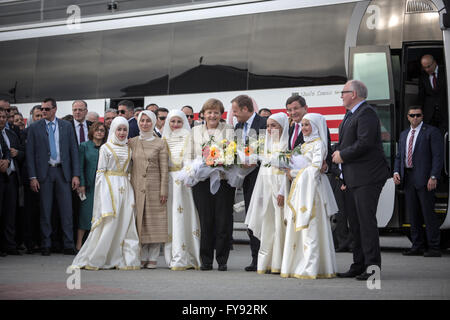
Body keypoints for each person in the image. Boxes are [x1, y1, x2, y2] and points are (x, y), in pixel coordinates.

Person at [332, 80, 390, 280]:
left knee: (366, 223)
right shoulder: (351, 115)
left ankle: (373, 268)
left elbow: (365, 143)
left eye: (343, 92)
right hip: (353, 177)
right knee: (354, 224)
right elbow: (343, 144)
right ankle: (358, 264)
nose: (341, 95)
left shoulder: (366, 113)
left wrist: (343, 155)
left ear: (353, 94)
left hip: (368, 177)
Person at [70, 117, 140, 270]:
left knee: (125, 221)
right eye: (119, 129)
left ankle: (122, 256)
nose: (122, 133)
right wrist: (104, 196)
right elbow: (100, 174)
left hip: (125, 188)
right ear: (114, 130)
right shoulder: (106, 148)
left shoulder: (129, 149)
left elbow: (129, 171)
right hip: (109, 187)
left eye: (125, 129)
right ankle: (100, 256)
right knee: (110, 222)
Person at [281, 113, 338, 279]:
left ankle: (311, 266)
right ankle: (300, 262)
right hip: (302, 189)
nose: (304, 128)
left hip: (312, 192)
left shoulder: (318, 144)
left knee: (311, 227)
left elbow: (315, 168)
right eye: (303, 125)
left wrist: (292, 172)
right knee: (301, 227)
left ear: (316, 126)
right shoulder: (304, 145)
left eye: (307, 125)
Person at [26, 98, 80, 256]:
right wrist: (32, 177)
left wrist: (76, 174)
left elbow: (74, 151)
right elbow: (30, 154)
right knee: (45, 209)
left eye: (47, 109)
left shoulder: (66, 126)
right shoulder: (35, 127)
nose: (44, 112)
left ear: (55, 109)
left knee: (66, 210)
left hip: (63, 173)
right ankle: (46, 244)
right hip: (45, 173)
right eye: (42, 109)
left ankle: (68, 244)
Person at [188, 98, 236, 271]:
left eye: (216, 112)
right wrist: (198, 166)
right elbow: (189, 154)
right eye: (209, 112)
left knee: (223, 220)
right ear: (203, 114)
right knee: (205, 220)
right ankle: (206, 259)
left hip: (223, 181)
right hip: (202, 182)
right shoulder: (194, 130)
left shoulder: (228, 129)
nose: (212, 115)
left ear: (221, 114)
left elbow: (231, 152)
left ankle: (222, 259)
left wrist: (219, 160)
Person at [394, 105, 443, 257]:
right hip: (408, 177)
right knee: (413, 214)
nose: (415, 118)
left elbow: (437, 156)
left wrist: (434, 176)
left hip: (425, 177)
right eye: (412, 115)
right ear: (407, 117)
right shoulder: (404, 134)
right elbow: (399, 156)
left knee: (428, 214)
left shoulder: (431, 132)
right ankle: (417, 246)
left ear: (422, 116)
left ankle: (434, 247)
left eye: (418, 115)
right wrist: (396, 171)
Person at [244, 112, 289, 274]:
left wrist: (283, 192)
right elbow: (263, 171)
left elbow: (287, 172)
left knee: (280, 225)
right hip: (266, 189)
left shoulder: (287, 144)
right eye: (268, 126)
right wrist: (260, 195)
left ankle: (281, 261)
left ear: (283, 127)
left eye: (274, 126)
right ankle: (268, 261)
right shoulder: (267, 145)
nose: (270, 129)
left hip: (280, 190)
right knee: (268, 224)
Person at [129, 111, 169, 269]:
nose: (144, 123)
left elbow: (164, 169)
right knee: (140, 221)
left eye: (148, 121)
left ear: (153, 123)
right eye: (142, 120)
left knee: (154, 221)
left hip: (155, 186)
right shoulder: (132, 142)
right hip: (137, 186)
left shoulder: (160, 143)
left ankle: (152, 257)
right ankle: (141, 255)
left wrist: (163, 190)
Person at [231, 94, 267, 272]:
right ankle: (255, 257)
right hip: (246, 178)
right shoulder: (238, 126)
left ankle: (265, 256)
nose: (234, 115)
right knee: (251, 218)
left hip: (262, 178)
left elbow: (269, 149)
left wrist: (255, 159)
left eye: (236, 111)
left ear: (246, 109)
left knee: (263, 217)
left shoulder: (264, 123)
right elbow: (238, 149)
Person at [162, 110, 201, 270]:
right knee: (171, 218)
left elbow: (192, 159)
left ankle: (187, 256)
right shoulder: (164, 138)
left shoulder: (189, 137)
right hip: (169, 182)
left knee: (184, 217)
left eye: (179, 121)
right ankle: (173, 255)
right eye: (172, 121)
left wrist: (187, 174)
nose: (175, 124)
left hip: (184, 183)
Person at [76, 122, 107, 251]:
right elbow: (80, 166)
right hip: (88, 186)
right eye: (97, 130)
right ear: (92, 131)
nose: (99, 132)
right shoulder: (84, 146)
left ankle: (96, 245)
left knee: (100, 214)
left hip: (103, 185)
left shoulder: (107, 147)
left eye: (102, 130)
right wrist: (81, 184)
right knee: (85, 213)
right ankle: (78, 244)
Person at [0, 108, 24, 256]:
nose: (2, 119)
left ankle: (9, 245)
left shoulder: (11, 134)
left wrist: (17, 154)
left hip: (12, 177)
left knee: (10, 213)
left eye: (4, 117)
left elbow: (22, 152)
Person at [418, 54, 447, 132]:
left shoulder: (445, 72)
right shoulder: (423, 76)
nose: (427, 70)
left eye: (428, 66)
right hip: (429, 114)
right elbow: (421, 97)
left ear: (434, 63)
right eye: (424, 67)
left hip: (444, 113)